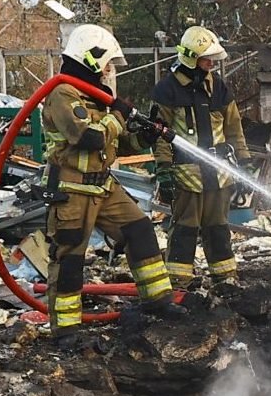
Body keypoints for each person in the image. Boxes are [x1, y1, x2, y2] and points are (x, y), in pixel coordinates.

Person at [40, 23, 175, 334]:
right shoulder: (62, 93)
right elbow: (88, 136)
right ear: (91, 59)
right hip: (72, 189)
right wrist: (118, 115)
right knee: (70, 258)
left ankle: (158, 301)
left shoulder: (97, 99)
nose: (109, 71)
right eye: (107, 64)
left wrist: (145, 135)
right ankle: (66, 331)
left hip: (103, 184)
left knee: (140, 229)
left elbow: (119, 143)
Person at [147, 25, 247, 296]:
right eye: (207, 59)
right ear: (191, 58)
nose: (212, 64)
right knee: (185, 230)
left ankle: (225, 280)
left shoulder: (219, 89)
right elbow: (158, 135)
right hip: (186, 175)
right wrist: (164, 171)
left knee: (218, 228)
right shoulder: (166, 91)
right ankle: (179, 286)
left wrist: (245, 164)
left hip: (218, 173)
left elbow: (234, 128)